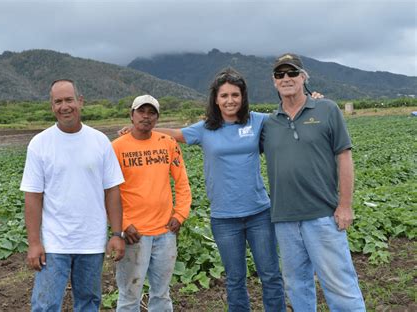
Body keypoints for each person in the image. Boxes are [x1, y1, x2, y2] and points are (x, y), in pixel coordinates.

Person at [120, 69, 286, 311]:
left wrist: (313, 101)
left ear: (243, 97)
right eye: (224, 95)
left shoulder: (258, 120)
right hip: (224, 218)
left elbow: (287, 119)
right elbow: (175, 134)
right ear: (216, 99)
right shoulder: (205, 128)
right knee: (235, 278)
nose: (230, 100)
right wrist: (138, 130)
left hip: (259, 213)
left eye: (235, 95)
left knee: (270, 275)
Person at [261, 53, 366, 311]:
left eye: (292, 73)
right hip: (284, 220)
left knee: (340, 285)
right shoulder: (269, 123)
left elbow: (344, 157)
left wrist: (345, 205)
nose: (286, 78)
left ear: (303, 77)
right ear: (274, 82)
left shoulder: (327, 109)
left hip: (323, 216)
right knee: (297, 286)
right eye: (280, 74)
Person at [20, 79, 125, 311]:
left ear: (81, 101)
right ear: (51, 106)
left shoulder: (99, 142)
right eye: (58, 101)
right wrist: (35, 242)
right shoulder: (39, 144)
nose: (64, 106)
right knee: (45, 304)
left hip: (92, 241)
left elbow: (112, 190)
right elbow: (33, 197)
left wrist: (117, 233)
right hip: (54, 241)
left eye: (69, 99)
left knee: (88, 302)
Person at [112, 95, 191, 311]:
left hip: (165, 232)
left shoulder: (168, 143)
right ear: (132, 115)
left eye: (151, 113)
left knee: (162, 294)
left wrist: (180, 214)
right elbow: (108, 193)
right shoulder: (116, 148)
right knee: (129, 296)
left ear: (157, 118)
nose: (146, 117)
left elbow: (182, 182)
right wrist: (122, 224)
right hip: (133, 234)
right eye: (141, 112)